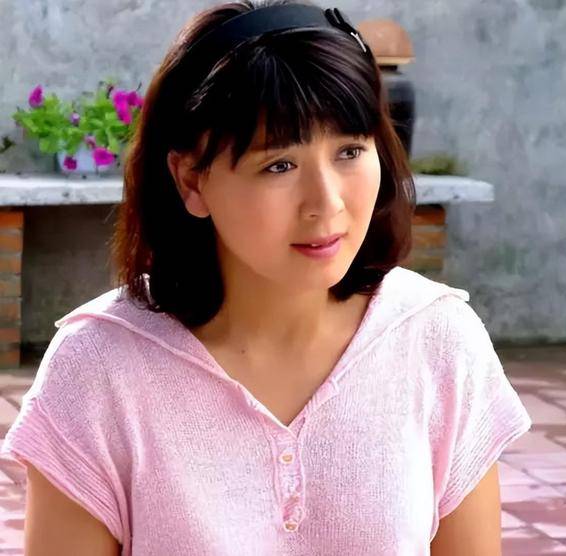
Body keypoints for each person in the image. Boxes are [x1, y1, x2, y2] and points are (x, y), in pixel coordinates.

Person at [2, 1, 532, 554]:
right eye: (279, 165)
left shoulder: (438, 341)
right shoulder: (98, 369)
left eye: (350, 150)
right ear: (191, 180)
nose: (327, 203)